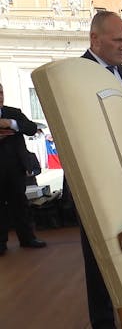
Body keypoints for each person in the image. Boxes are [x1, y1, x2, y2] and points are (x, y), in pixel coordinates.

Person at [71, 11, 122, 328]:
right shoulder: (74, 75)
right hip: (94, 182)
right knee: (98, 256)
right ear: (95, 39)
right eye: (118, 40)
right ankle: (103, 320)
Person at [0, 82, 47, 256]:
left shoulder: (14, 113)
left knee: (20, 204)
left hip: (15, 167)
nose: (0, 96)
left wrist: (11, 124)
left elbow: (32, 128)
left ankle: (28, 238)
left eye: (1, 92)